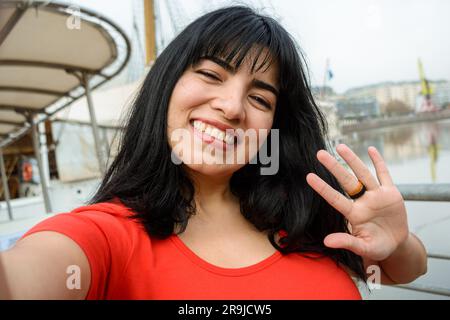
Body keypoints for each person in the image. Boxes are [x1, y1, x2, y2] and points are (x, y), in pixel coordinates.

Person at [0, 6, 427, 300]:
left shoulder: (306, 209)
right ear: (166, 86)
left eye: (260, 99)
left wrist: (399, 242)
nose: (232, 106)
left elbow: (407, 269)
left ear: (273, 128)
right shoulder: (107, 236)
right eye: (210, 74)